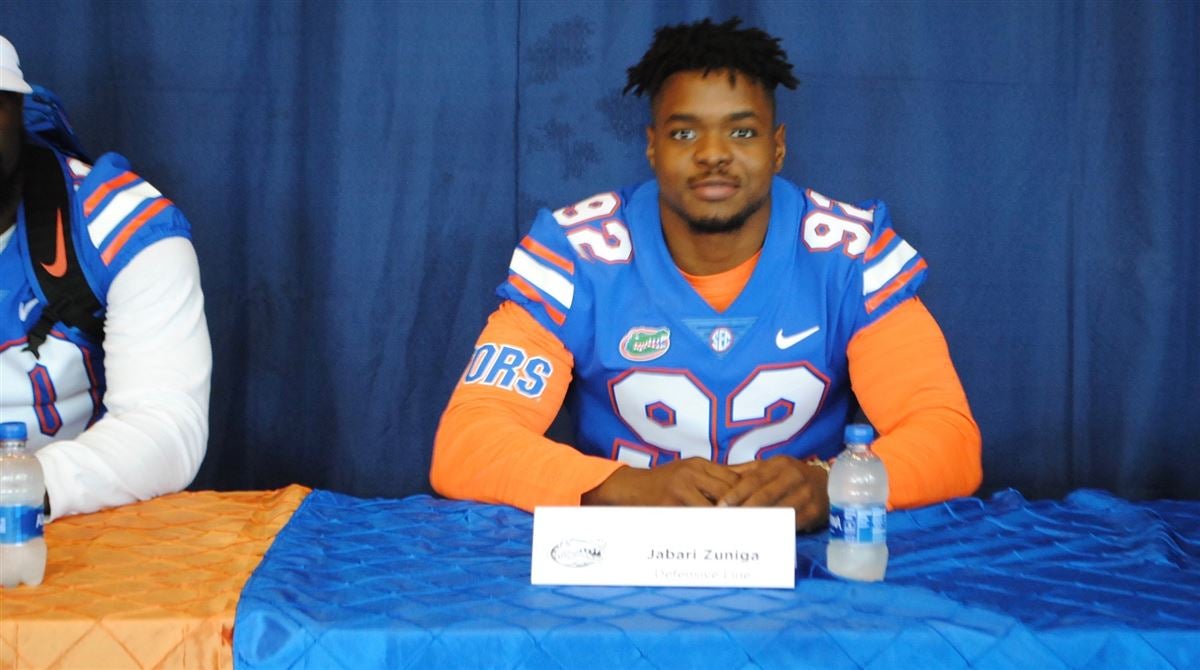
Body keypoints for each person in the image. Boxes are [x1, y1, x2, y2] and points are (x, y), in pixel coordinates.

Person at [430, 18, 981, 530]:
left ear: (778, 146)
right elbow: (469, 441)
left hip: (805, 557)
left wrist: (831, 485)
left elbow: (948, 438)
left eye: (741, 133)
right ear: (651, 147)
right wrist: (618, 488)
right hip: (625, 559)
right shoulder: (576, 256)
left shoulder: (847, 255)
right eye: (685, 134)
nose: (713, 155)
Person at [0, 35, 210, 520]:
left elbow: (167, 428)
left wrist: (19, 489)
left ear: (15, 109)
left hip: (77, 529)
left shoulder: (119, 223)